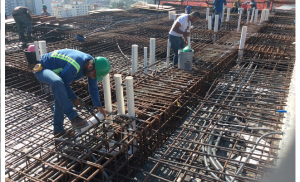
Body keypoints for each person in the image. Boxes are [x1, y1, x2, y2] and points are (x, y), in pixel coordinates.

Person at [33, 49, 111, 136]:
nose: (93, 78)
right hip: (43, 69)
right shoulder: (75, 64)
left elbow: (93, 87)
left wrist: (98, 106)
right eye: (94, 75)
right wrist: (73, 97)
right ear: (90, 67)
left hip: (56, 74)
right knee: (57, 82)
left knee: (61, 98)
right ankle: (74, 117)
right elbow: (63, 82)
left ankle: (58, 131)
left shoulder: (92, 64)